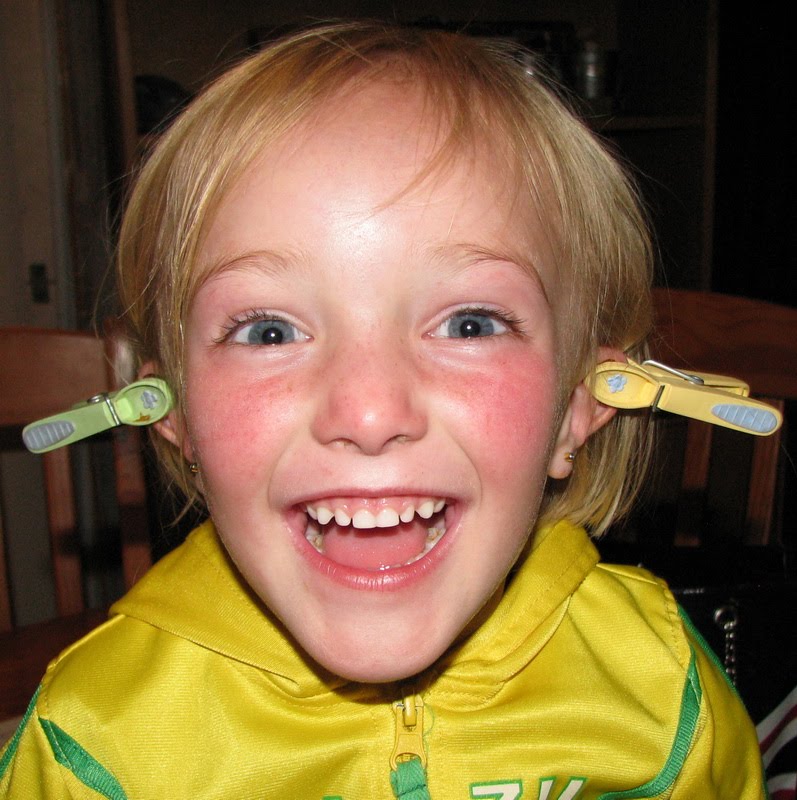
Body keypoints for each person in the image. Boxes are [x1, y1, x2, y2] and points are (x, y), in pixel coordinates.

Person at [0, 21, 765, 799]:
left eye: (469, 324)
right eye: (269, 331)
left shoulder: (660, 690)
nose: (368, 414)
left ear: (577, 404)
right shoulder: (93, 747)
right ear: (174, 412)